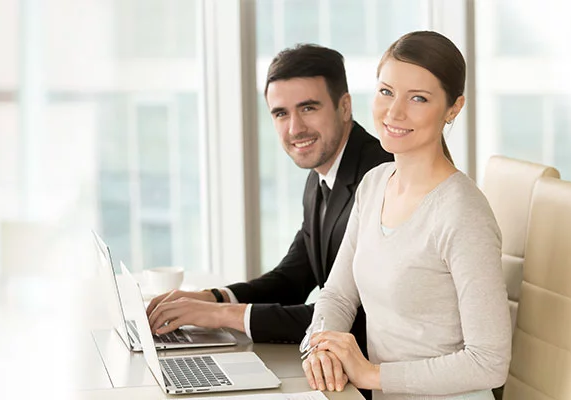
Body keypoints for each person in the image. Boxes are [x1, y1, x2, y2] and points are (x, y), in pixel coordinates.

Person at [301, 31, 511, 398]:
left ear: (453, 108)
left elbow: (489, 361)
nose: (394, 112)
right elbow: (336, 295)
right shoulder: (375, 183)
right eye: (386, 92)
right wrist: (320, 348)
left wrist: (371, 374)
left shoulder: (463, 213)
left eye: (418, 98)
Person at [146, 44, 393, 349]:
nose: (295, 128)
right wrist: (212, 298)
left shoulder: (382, 177)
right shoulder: (321, 177)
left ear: (344, 107)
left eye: (308, 108)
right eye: (280, 113)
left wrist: (222, 314)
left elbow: (358, 318)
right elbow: (292, 279)